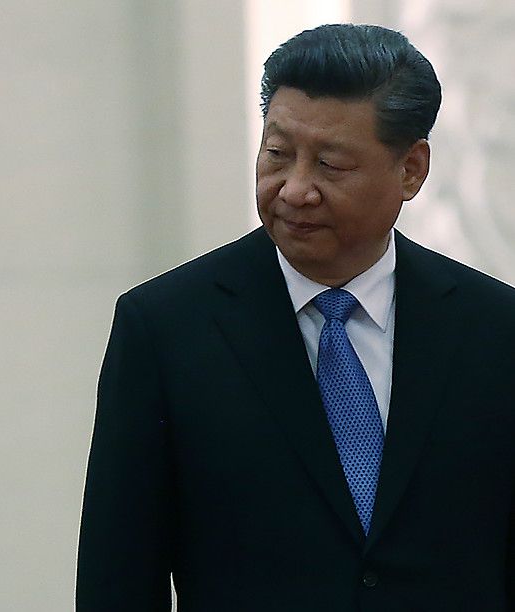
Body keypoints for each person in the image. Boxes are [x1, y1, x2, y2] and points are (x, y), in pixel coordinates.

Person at [77, 24, 515, 611]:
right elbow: (119, 576)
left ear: (411, 169)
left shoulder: (494, 329)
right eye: (277, 154)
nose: (294, 189)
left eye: (331, 165)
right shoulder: (166, 329)